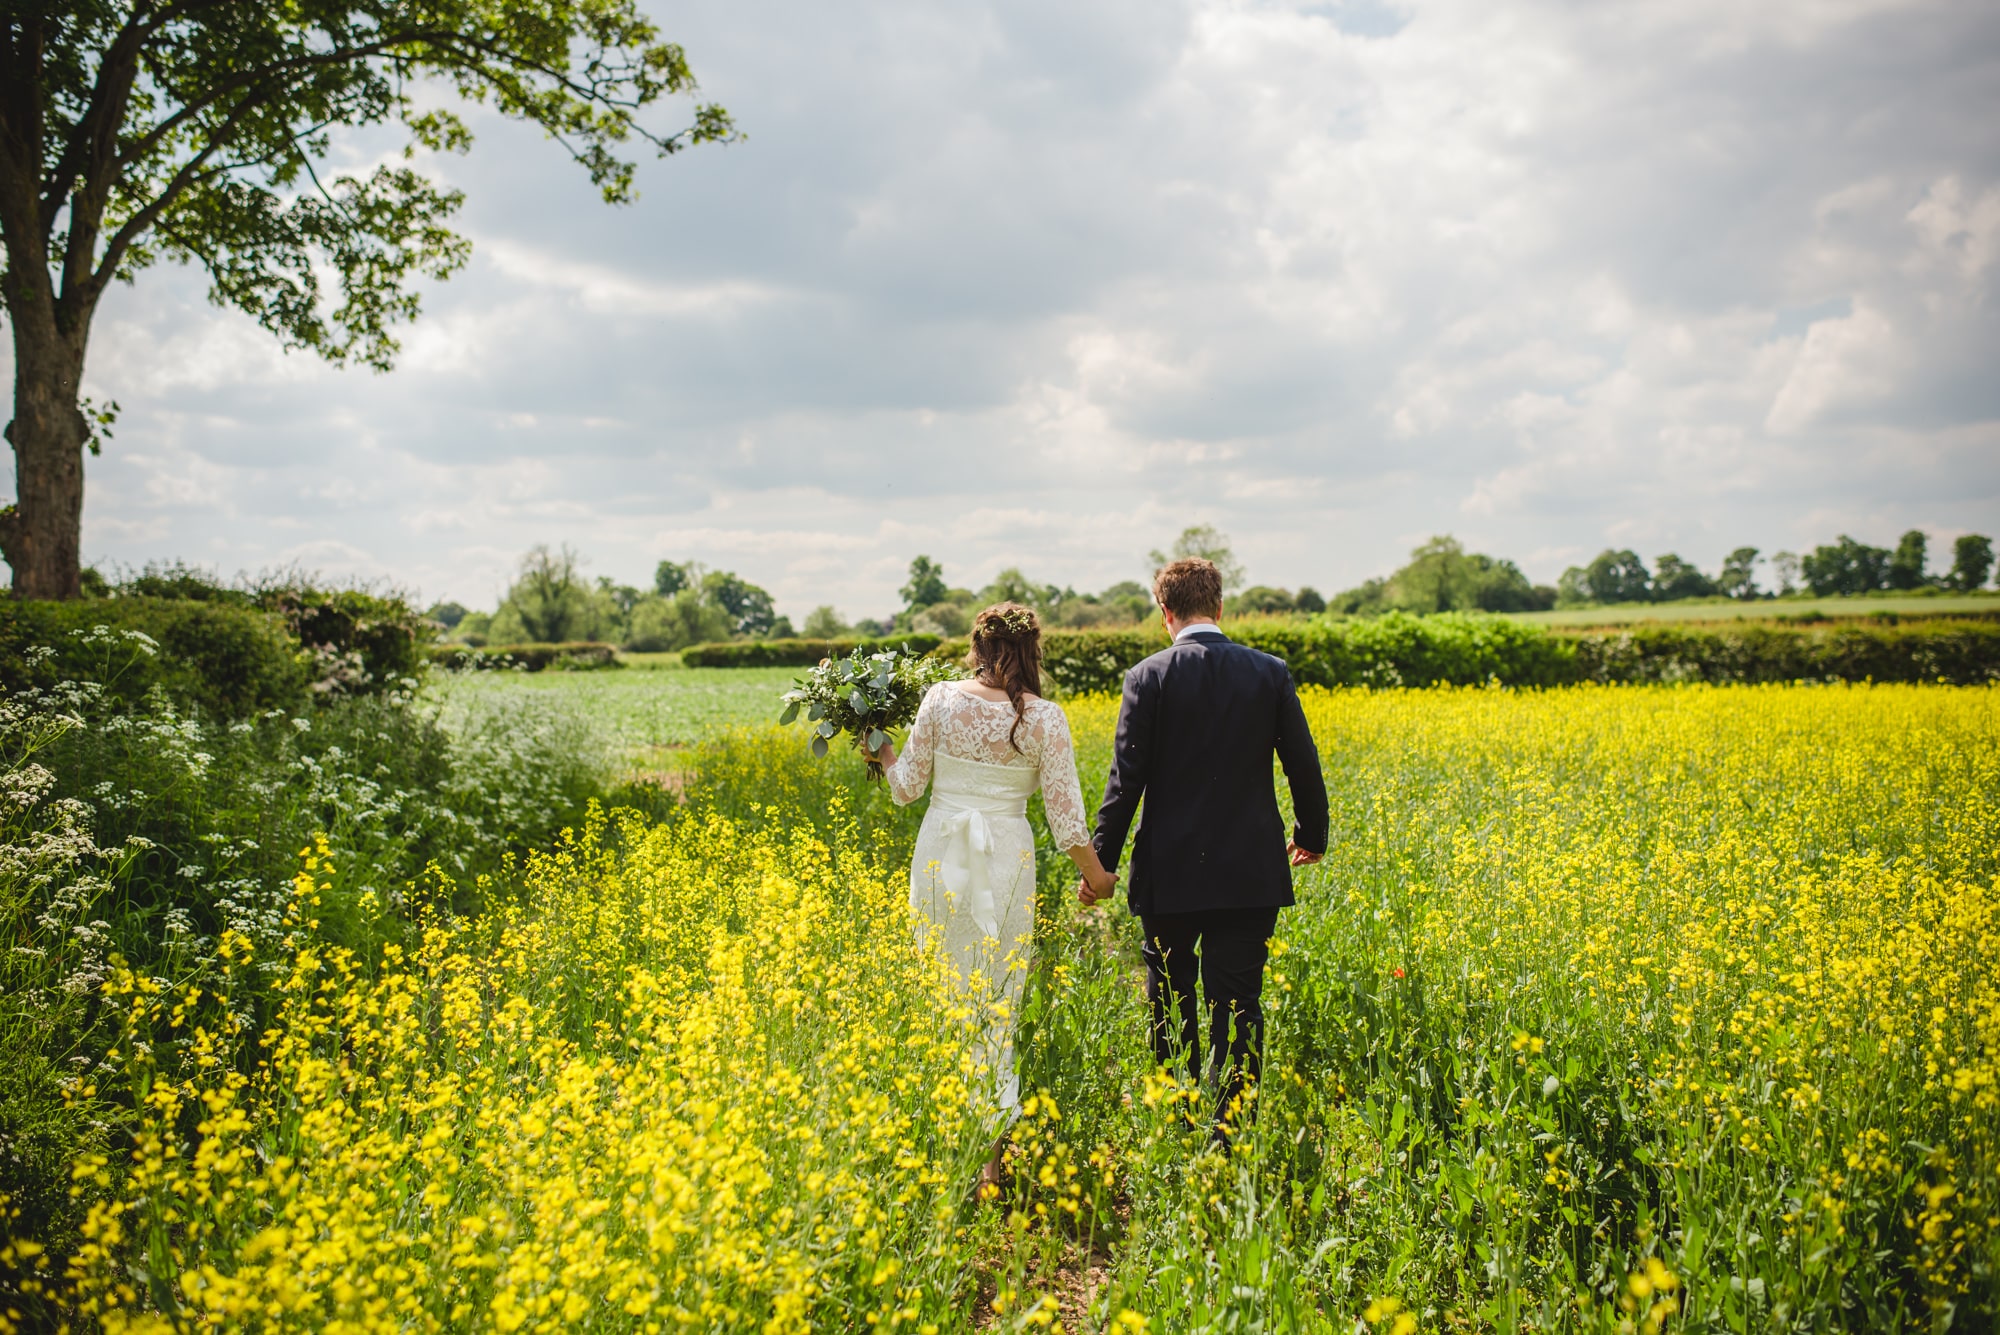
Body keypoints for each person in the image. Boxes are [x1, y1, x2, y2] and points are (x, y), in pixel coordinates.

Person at [1086, 557, 1328, 1139]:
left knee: (1170, 998)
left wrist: (1100, 864)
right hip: (1249, 873)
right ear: (1220, 607)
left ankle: (1177, 1121)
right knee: (1238, 1001)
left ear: (1164, 613)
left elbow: (1126, 782)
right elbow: (1302, 763)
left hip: (1170, 874)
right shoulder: (1269, 672)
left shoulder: (1149, 676)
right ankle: (1230, 1133)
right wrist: (1310, 836)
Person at [875, 602, 1117, 1186]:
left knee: (942, 987)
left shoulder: (937, 699)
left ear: (976, 646)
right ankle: (986, 1164)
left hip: (940, 853)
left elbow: (904, 788)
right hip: (1006, 857)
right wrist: (1099, 875)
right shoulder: (1046, 717)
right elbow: (1066, 822)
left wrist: (878, 749)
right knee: (996, 999)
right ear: (1032, 650)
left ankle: (943, 1145)